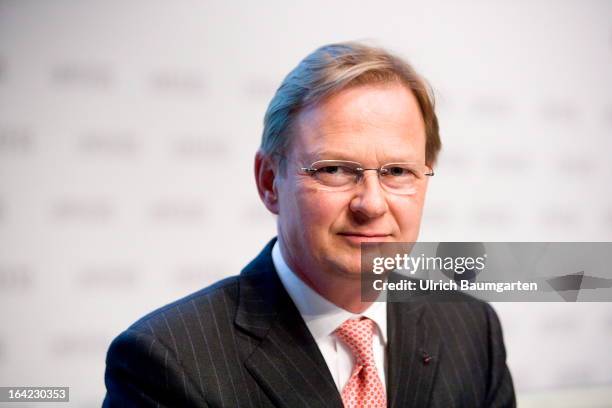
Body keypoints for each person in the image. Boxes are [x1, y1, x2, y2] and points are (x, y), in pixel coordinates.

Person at [103, 42, 516, 407]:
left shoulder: (471, 328)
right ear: (270, 182)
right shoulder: (166, 360)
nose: (371, 204)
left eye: (397, 171)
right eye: (334, 169)